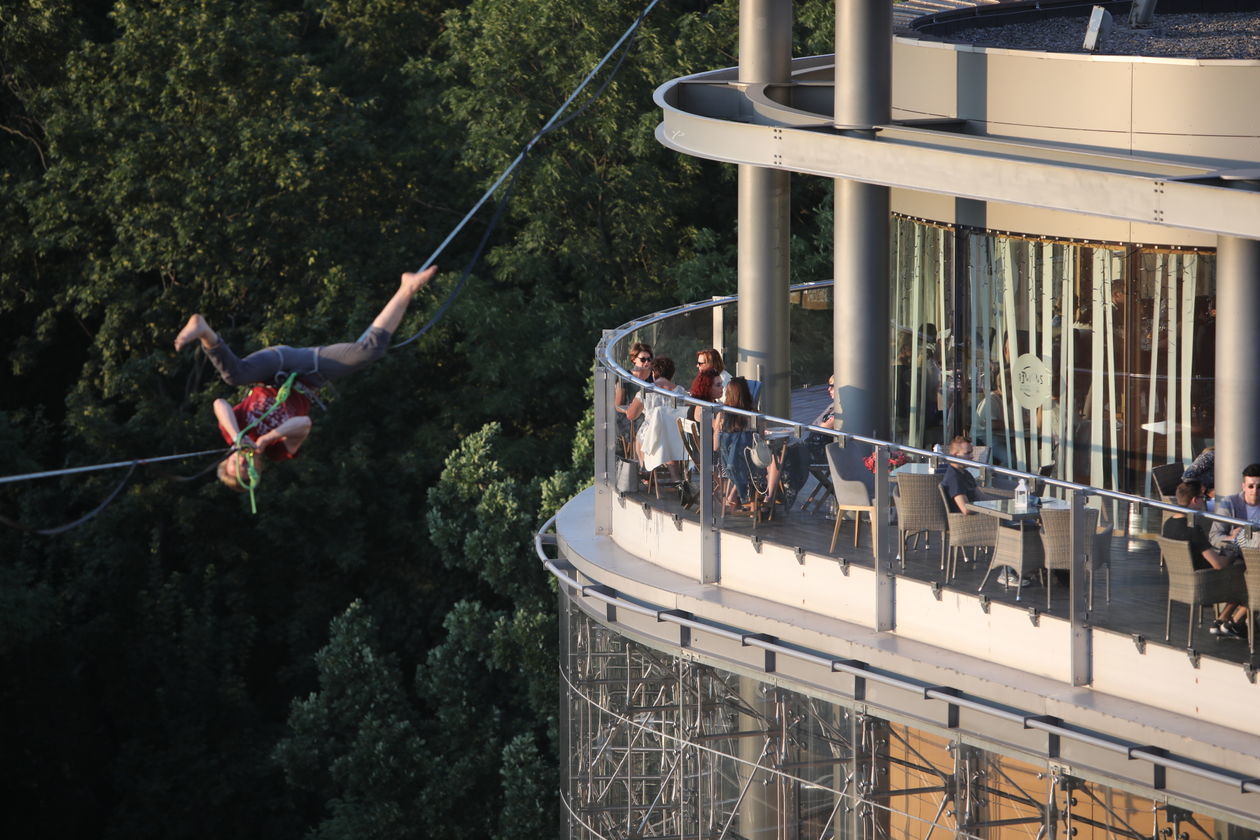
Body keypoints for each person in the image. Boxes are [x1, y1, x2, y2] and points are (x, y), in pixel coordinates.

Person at [174, 266, 436, 490]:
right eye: (246, 469)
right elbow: (303, 423)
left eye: (236, 464)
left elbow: (219, 404)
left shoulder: (234, 433)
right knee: (369, 351)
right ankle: (408, 287)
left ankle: (204, 330)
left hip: (276, 366)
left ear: (228, 458)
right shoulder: (279, 452)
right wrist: (266, 439)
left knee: (234, 376)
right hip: (309, 377)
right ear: (257, 469)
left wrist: (237, 436)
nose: (243, 462)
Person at [938, 435, 1030, 587]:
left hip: (980, 517)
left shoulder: (964, 473)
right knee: (1016, 527)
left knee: (1027, 523)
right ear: (955, 455)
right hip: (969, 524)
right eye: (967, 453)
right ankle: (1006, 573)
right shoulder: (954, 477)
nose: (972, 456)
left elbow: (979, 495)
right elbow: (965, 509)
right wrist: (992, 510)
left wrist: (1001, 503)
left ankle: (1022, 568)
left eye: (971, 452)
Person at [1165, 482, 1248, 638]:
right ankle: (1234, 622)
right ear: (1195, 500)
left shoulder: (1168, 524)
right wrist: (1234, 546)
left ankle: (1222, 620)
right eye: (1203, 498)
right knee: (1248, 577)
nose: (1205, 501)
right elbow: (1218, 564)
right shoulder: (1193, 530)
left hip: (1181, 581)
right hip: (1204, 583)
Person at [626, 356, 688, 481]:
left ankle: (646, 468)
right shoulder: (681, 391)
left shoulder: (647, 391)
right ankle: (676, 478)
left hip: (652, 437)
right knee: (667, 439)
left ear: (654, 373)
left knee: (640, 436)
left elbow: (631, 415)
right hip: (677, 437)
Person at [1209, 462, 1260, 555]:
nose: (1255, 491)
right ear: (1243, 486)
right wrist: (1234, 539)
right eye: (1251, 486)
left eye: (1259, 487)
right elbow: (1214, 537)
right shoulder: (1229, 503)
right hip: (1238, 555)